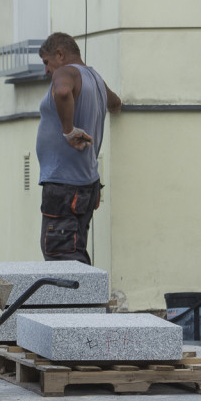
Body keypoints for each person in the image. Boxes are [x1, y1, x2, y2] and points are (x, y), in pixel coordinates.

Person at [37, 32, 121, 264]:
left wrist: (69, 130)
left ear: (60, 54)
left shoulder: (66, 72)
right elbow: (116, 103)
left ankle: (80, 302)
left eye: (47, 62)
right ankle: (85, 300)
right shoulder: (94, 78)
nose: (46, 71)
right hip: (86, 186)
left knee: (62, 257)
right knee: (75, 252)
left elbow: (63, 92)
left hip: (65, 187)